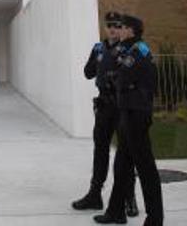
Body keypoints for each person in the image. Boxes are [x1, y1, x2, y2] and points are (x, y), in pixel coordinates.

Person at [94, 13, 163, 225]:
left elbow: (123, 77)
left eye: (122, 27)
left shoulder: (138, 51)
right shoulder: (129, 50)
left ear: (131, 30)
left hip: (136, 115)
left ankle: (155, 217)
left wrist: (115, 77)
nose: (118, 30)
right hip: (128, 113)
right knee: (122, 166)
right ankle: (116, 210)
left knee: (145, 167)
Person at [73, 12, 138, 218]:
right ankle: (94, 195)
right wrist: (99, 61)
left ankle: (129, 197)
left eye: (117, 26)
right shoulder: (98, 48)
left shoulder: (128, 49)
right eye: (109, 25)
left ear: (122, 28)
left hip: (122, 106)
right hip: (103, 106)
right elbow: (88, 73)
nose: (113, 29)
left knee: (125, 152)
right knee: (100, 150)